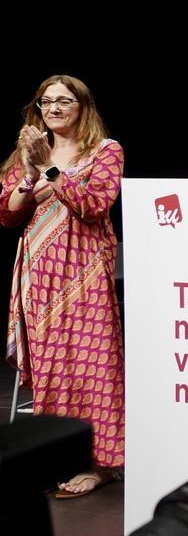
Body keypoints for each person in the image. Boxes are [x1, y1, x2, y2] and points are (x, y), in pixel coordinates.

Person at [0, 75, 124, 498]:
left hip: (85, 268)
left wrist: (51, 171)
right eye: (46, 102)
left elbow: (94, 205)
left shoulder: (106, 151)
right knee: (55, 367)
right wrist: (31, 171)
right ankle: (59, 457)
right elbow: (9, 212)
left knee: (94, 366)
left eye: (63, 101)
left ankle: (100, 464)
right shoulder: (30, 152)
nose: (53, 108)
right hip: (41, 273)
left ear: (82, 106)